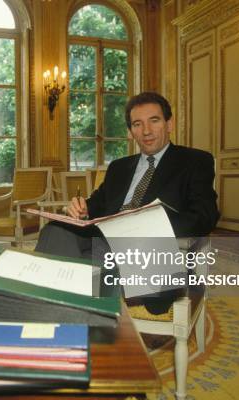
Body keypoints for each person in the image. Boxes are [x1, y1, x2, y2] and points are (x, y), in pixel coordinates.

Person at [35, 91, 219, 314]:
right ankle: (52, 310)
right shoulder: (119, 167)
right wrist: (82, 208)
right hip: (106, 242)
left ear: (169, 124)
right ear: (131, 132)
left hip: (149, 251)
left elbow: (205, 215)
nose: (147, 131)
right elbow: (98, 204)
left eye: (154, 121)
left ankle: (80, 303)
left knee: (82, 270)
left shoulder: (195, 161)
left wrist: (155, 226)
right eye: (137, 124)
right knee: (55, 232)